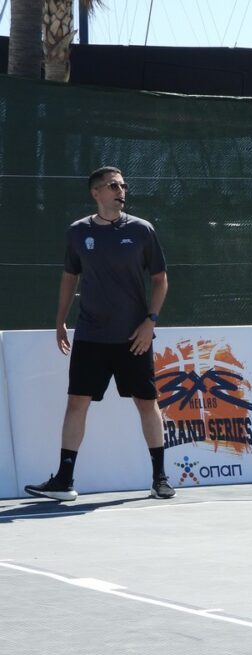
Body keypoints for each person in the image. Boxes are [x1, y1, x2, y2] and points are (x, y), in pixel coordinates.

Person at [24, 166, 174, 502]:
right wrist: (60, 321)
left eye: (123, 186)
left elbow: (160, 279)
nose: (122, 191)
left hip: (134, 338)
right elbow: (70, 276)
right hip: (91, 335)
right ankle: (64, 481)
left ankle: (160, 479)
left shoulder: (142, 230)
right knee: (77, 402)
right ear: (96, 193)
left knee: (146, 403)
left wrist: (150, 322)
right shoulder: (78, 232)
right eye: (114, 186)